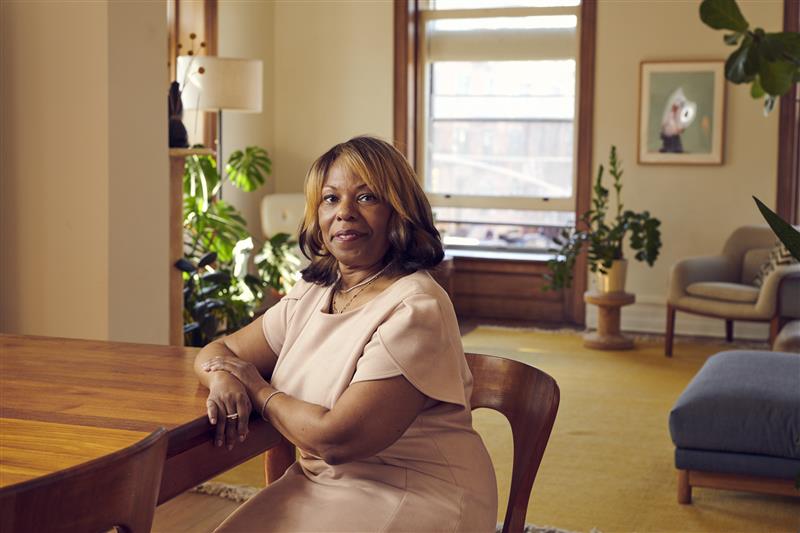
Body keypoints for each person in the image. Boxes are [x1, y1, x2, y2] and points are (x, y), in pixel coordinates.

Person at [194, 136, 498, 532]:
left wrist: (257, 388)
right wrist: (222, 376)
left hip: (419, 491)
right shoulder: (312, 293)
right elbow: (220, 349)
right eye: (330, 199)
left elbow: (337, 439)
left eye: (367, 197)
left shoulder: (416, 308)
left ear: (398, 212)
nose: (345, 213)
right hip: (322, 486)